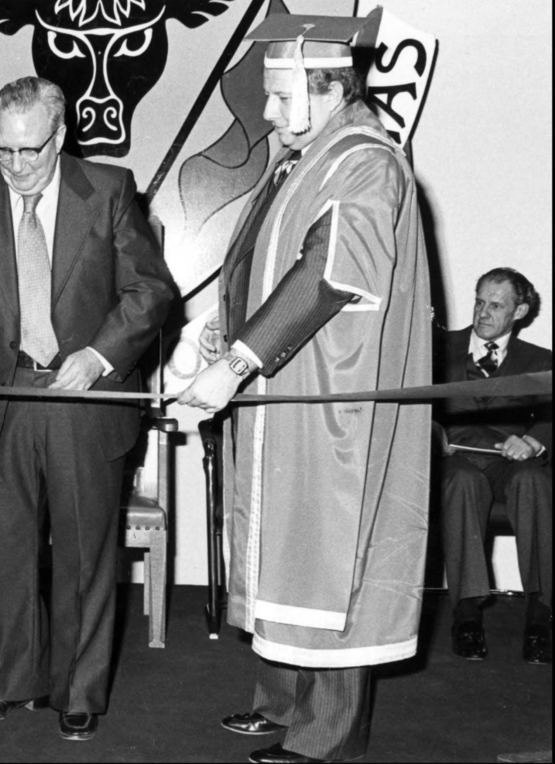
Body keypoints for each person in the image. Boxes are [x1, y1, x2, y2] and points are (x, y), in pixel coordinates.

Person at [179, 14, 433, 764]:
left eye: (280, 95)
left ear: (330, 89)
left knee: (331, 557)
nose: (266, 113)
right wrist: (227, 331)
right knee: (280, 549)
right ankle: (283, 703)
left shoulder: (365, 163)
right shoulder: (307, 155)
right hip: (284, 390)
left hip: (333, 403)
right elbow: (264, 260)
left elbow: (328, 273)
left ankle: (326, 740)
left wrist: (239, 361)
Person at [0, 76, 174, 742]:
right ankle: (10, 682)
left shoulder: (110, 190)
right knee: (9, 550)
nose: (19, 167)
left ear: (60, 137)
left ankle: (78, 693)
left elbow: (150, 290)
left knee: (86, 553)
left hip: (83, 394)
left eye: (32, 150)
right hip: (4, 395)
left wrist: (99, 355)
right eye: (4, 152)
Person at [435, 268, 551, 665]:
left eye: (496, 305)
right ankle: (466, 616)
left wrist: (534, 440)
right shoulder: (437, 348)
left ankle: (541, 616)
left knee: (534, 480)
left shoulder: (541, 361)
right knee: (463, 483)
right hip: (456, 459)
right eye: (479, 302)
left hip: (509, 461)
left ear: (519, 311)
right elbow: (412, 402)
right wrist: (433, 434)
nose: (483, 313)